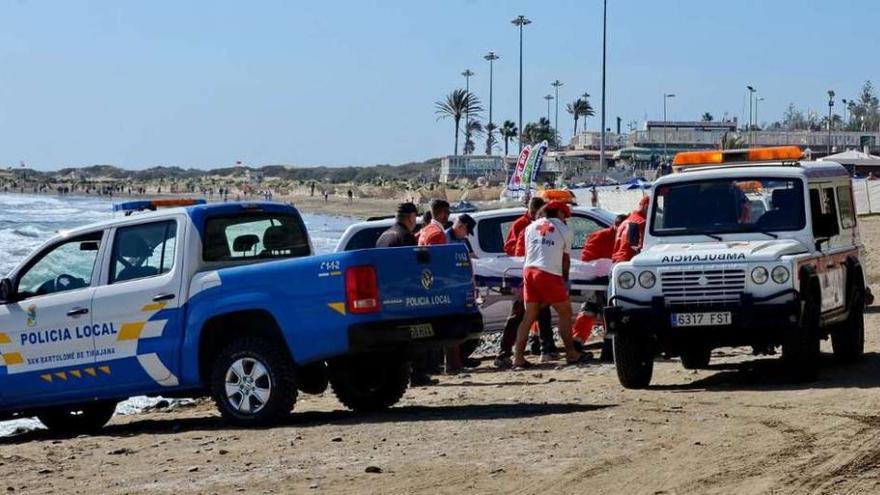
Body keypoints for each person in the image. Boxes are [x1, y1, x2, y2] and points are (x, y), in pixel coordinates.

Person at [513, 201, 590, 369]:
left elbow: (529, 253)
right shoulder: (564, 230)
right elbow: (565, 260)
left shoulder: (531, 227)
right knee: (565, 312)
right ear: (560, 214)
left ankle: (518, 357)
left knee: (528, 317)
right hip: (548, 273)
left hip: (529, 272)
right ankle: (571, 353)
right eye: (565, 216)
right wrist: (565, 281)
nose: (565, 219)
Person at [374, 202, 437, 387]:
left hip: (386, 294)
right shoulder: (405, 237)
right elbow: (412, 268)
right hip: (404, 295)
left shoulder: (384, 236)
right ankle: (418, 375)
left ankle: (397, 375)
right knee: (417, 335)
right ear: (410, 218)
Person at [417, 199, 462, 373]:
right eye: (448, 213)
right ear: (441, 213)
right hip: (437, 286)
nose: (448, 216)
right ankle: (451, 366)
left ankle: (437, 365)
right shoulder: (437, 233)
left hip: (428, 285)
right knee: (448, 327)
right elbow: (438, 264)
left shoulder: (426, 230)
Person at [612, 195, 650, 263]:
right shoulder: (642, 222)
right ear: (646, 207)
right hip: (629, 262)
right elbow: (642, 248)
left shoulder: (624, 222)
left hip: (615, 262)